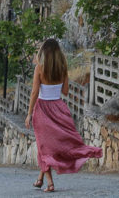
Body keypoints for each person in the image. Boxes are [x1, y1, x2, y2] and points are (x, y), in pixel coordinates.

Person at [25, 38, 101, 192]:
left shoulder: (39, 68)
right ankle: (40, 179)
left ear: (44, 52)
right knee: (51, 147)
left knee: (43, 147)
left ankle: (50, 183)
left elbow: (34, 92)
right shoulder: (63, 67)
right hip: (59, 108)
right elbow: (65, 91)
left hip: (43, 110)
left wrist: (29, 113)